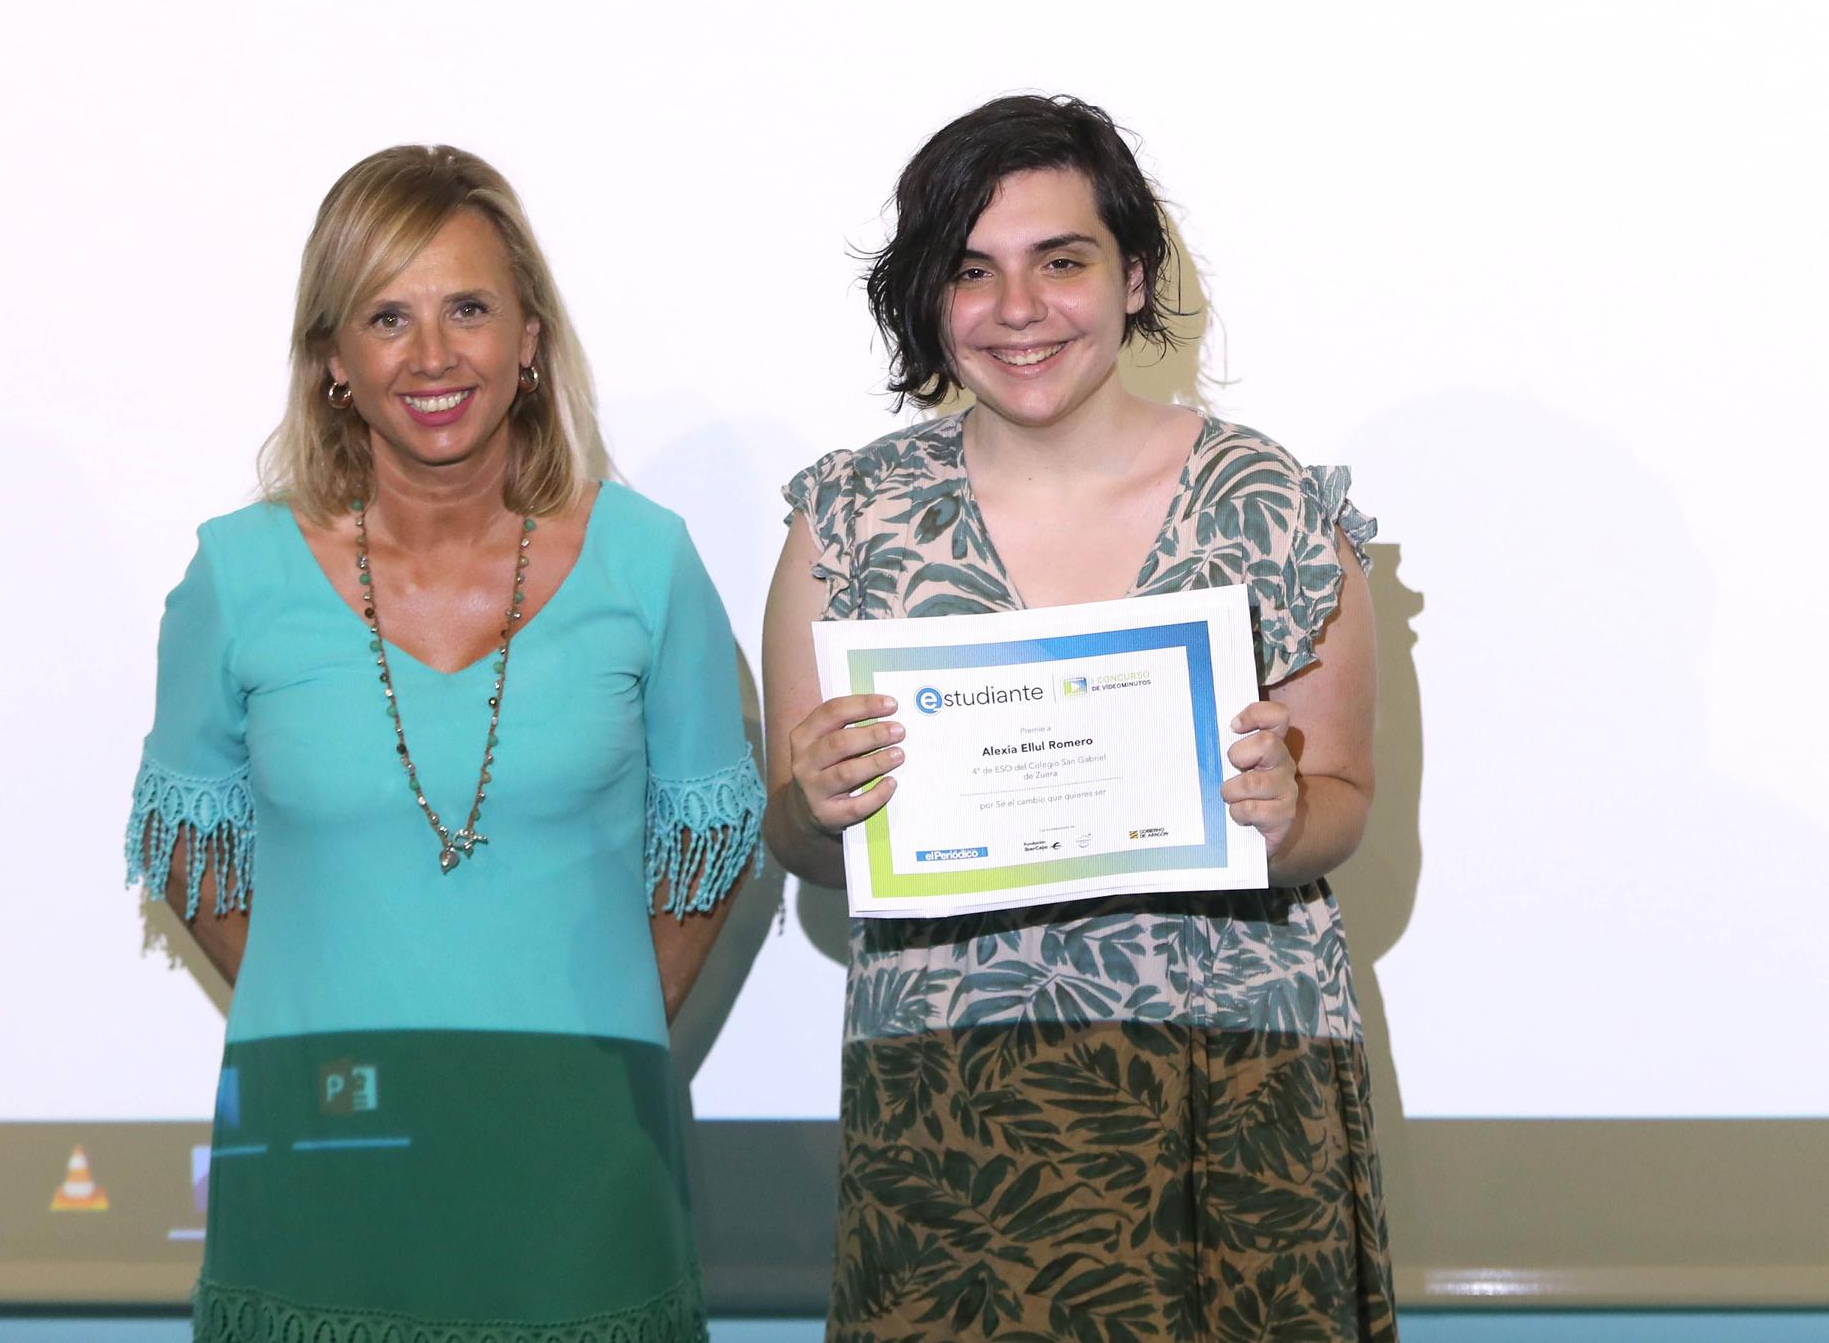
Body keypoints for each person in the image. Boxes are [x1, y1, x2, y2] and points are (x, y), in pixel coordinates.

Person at [763, 96, 1395, 1340]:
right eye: (970, 271)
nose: (1018, 310)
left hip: (1234, 1071)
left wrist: (1282, 808)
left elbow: (1344, 810)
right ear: (923, 299)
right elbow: (799, 838)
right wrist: (813, 799)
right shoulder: (845, 519)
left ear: (1132, 276)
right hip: (952, 1100)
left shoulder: (1269, 502)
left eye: (1061, 262)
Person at [125, 144, 762, 1341]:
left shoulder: (649, 561)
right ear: (333, 361)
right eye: (386, 316)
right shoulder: (232, 574)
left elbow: (712, 842)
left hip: (579, 1158)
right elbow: (187, 846)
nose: (431, 356)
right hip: (320, 1146)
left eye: (468, 308)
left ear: (528, 340)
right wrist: (330, 1016)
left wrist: (592, 1039)